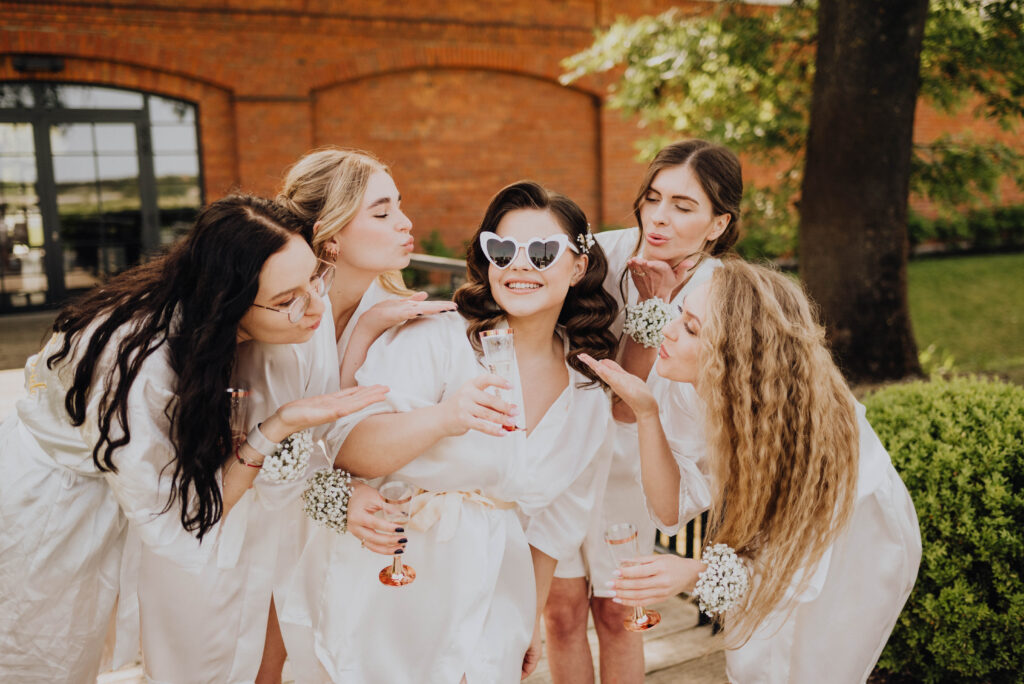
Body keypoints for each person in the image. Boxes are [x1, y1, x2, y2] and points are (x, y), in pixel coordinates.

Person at [0, 195, 389, 683]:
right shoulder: (142, 368)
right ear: (228, 301)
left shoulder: (209, 321)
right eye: (288, 300)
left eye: (315, 278)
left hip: (113, 495)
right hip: (52, 510)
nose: (315, 306)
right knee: (39, 657)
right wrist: (276, 427)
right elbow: (184, 519)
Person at [131, 149, 454, 684]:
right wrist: (339, 498)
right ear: (330, 236)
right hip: (231, 514)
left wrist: (367, 327)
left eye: (399, 205)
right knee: (241, 660)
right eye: (381, 212)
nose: (405, 222)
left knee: (290, 650)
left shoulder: (375, 301)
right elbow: (275, 458)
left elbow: (330, 415)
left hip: (292, 521)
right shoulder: (286, 320)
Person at [278, 180, 619, 682]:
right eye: (502, 250)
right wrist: (446, 417)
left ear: (577, 266)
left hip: (498, 585)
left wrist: (530, 615)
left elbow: (556, 517)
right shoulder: (436, 336)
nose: (519, 265)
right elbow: (349, 448)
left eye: (543, 252)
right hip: (394, 575)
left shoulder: (587, 388)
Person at [583, 259, 922, 683]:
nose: (669, 330)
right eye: (680, 314)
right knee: (753, 656)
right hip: (775, 540)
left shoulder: (797, 432)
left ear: (733, 357)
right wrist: (647, 414)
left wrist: (692, 573)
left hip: (852, 540)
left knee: (806, 663)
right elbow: (669, 510)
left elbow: (793, 571)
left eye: (691, 328)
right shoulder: (692, 386)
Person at [543, 139, 741, 683]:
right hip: (565, 451)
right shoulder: (601, 256)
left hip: (638, 463)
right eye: (653, 198)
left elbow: (628, 409)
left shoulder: (719, 293)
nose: (658, 217)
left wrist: (652, 310)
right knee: (560, 613)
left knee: (620, 611)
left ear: (718, 223)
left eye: (683, 206)